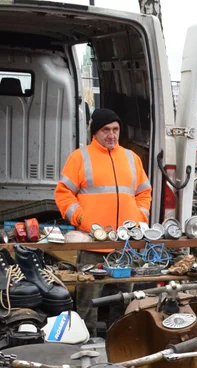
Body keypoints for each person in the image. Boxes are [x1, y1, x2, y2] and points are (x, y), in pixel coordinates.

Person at [55, 108, 151, 330]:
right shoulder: (79, 157)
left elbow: (144, 193)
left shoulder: (131, 158)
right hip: (92, 246)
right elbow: (63, 194)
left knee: (125, 303)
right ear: (95, 132)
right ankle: (86, 349)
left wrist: (139, 217)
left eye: (115, 129)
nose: (112, 135)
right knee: (88, 305)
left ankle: (120, 349)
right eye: (106, 130)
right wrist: (83, 219)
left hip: (125, 247)